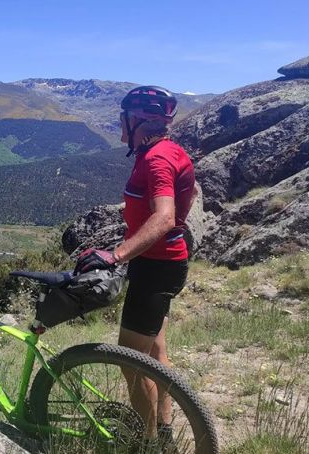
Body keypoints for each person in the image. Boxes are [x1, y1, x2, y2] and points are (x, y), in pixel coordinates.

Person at [75, 86, 196, 445]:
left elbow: (163, 217)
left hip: (155, 268)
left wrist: (116, 255)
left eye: (122, 119)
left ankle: (145, 444)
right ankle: (165, 433)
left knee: (131, 362)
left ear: (139, 120)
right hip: (166, 263)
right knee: (156, 353)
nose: (119, 126)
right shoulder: (167, 152)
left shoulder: (157, 159)